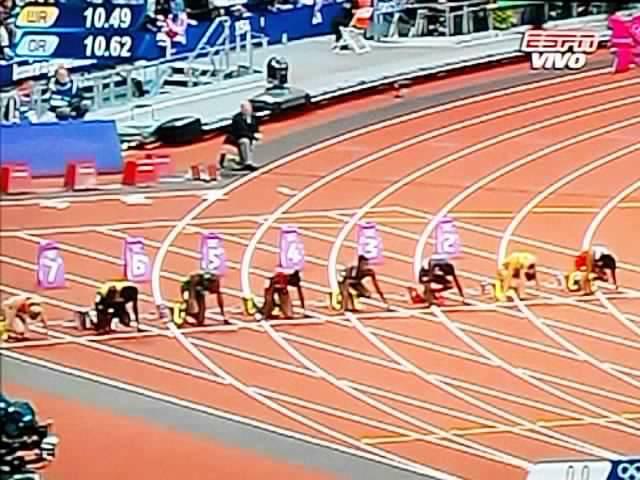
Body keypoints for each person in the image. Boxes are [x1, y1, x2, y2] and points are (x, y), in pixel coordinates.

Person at [226, 101, 261, 171]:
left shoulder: (253, 117)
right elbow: (242, 132)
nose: (249, 110)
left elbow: (255, 128)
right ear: (242, 109)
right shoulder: (237, 118)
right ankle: (247, 163)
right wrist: (253, 136)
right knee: (245, 141)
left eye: (249, 109)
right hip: (237, 138)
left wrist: (257, 134)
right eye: (247, 109)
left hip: (249, 136)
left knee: (251, 142)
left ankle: (246, 160)